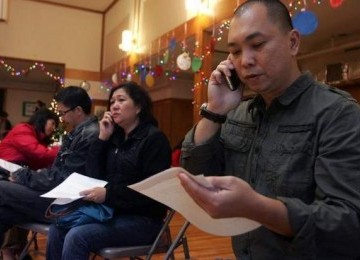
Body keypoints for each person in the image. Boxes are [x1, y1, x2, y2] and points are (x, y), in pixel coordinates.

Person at [178, 0, 360, 259]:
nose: (246, 61)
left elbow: (347, 223)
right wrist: (215, 111)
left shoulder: (337, 112)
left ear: (293, 42)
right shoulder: (237, 112)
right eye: (235, 51)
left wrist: (257, 207)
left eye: (258, 45)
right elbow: (199, 177)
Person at [46, 82, 172, 260]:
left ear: (138, 107)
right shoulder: (114, 137)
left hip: (144, 220)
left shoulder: (154, 139)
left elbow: (153, 194)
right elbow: (93, 175)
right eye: (112, 102)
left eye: (121, 100)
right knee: (57, 228)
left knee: (77, 236)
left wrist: (108, 194)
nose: (114, 105)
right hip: (110, 212)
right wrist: (102, 139)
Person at [0, 86, 100, 252]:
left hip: (67, 202)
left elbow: (60, 178)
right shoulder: (80, 132)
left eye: (62, 113)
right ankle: (12, 252)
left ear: (78, 110)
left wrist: (24, 176)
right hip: (60, 195)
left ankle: (12, 251)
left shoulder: (89, 134)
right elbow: (56, 171)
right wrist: (27, 176)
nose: (61, 120)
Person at [0, 108, 60, 259]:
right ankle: (10, 250)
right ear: (42, 119)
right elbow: (40, 154)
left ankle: (16, 248)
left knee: (22, 202)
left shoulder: (36, 137)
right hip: (6, 172)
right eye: (52, 123)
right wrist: (63, 150)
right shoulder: (23, 129)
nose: (53, 128)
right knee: (16, 200)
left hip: (16, 174)